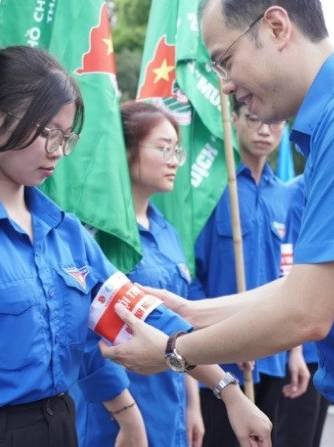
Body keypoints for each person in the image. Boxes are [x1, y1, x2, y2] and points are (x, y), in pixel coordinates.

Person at [101, 0, 334, 446]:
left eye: (225, 61)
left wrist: (172, 350)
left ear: (275, 27)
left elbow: (306, 311)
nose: (226, 85)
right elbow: (307, 286)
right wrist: (193, 311)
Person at [0, 42, 208, 447]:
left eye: (65, 137)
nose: (57, 152)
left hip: (64, 426)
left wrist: (220, 389)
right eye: (47, 133)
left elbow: (114, 324)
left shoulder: (67, 233)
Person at [75, 100, 273, 447]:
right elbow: (95, 341)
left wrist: (192, 405)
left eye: (177, 151)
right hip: (119, 415)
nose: (174, 160)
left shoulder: (167, 231)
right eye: (163, 148)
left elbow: (179, 326)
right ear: (125, 150)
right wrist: (127, 414)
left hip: (171, 407)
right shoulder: (102, 237)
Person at [189, 102, 307, 445]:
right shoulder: (212, 192)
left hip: (271, 358)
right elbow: (192, 276)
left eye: (275, 122)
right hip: (219, 365)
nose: (265, 130)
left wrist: (295, 351)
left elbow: (289, 276)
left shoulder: (282, 196)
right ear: (234, 120)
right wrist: (229, 337)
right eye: (254, 119)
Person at [273, 174, 329, 447]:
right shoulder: (296, 194)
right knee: (294, 437)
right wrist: (295, 350)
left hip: (324, 345)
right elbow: (289, 270)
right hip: (299, 344)